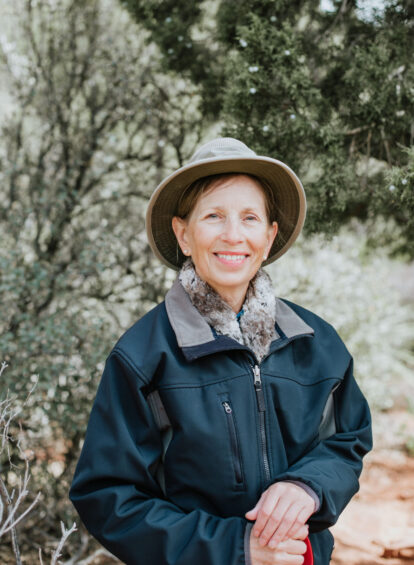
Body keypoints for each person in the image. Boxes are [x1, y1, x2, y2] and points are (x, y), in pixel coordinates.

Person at [69, 137, 373, 565]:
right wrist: (237, 548)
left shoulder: (317, 343)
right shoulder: (142, 357)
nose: (233, 235)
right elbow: (109, 498)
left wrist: (307, 486)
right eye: (213, 216)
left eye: (249, 218)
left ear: (268, 238)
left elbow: (348, 441)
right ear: (184, 234)